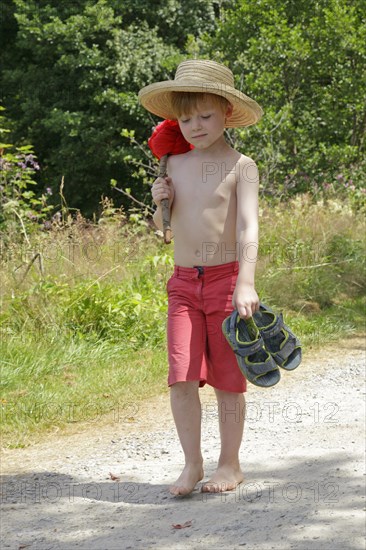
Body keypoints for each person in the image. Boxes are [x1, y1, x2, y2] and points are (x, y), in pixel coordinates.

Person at [138, 59, 263, 496]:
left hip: (227, 280)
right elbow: (163, 230)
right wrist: (159, 203)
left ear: (227, 113)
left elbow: (248, 226)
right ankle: (192, 464)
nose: (195, 125)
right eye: (185, 118)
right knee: (181, 374)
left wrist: (246, 282)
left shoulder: (241, 165)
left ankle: (230, 464)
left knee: (229, 378)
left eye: (205, 115)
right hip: (183, 284)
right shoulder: (173, 163)